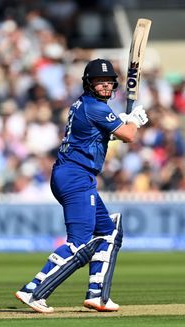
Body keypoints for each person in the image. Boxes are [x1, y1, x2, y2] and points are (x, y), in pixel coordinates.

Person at [14, 58, 148, 313]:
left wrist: (123, 122)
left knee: (109, 232)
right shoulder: (95, 107)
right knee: (79, 243)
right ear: (89, 84)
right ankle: (33, 290)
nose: (105, 86)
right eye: (100, 82)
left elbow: (103, 133)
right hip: (75, 176)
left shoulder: (87, 105)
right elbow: (128, 135)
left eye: (109, 82)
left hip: (76, 175)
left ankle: (97, 294)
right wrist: (134, 122)